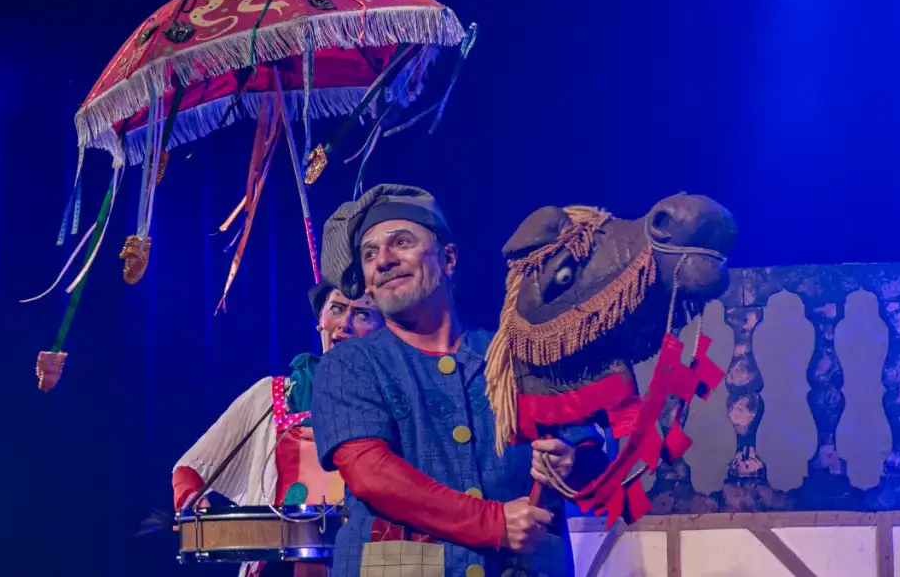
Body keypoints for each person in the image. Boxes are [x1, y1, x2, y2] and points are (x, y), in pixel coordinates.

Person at [311, 184, 605, 577]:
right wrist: (493, 523)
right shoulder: (350, 364)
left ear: (448, 259)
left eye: (401, 242)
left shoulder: (521, 356)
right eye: (369, 253)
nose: (383, 260)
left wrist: (573, 460)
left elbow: (593, 464)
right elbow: (371, 474)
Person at [172, 281, 385, 577]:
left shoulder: (397, 403)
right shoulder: (272, 397)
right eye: (336, 308)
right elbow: (190, 470)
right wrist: (192, 502)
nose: (345, 323)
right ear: (320, 321)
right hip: (279, 566)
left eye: (363, 314)